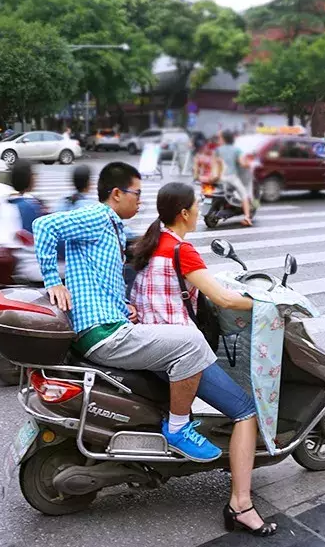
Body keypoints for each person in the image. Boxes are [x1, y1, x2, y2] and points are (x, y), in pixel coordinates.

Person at [33, 162, 222, 463]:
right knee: (192, 341)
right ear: (117, 194)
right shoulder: (97, 216)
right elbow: (44, 226)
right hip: (103, 332)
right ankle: (178, 428)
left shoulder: (113, 228)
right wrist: (53, 281)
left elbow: (100, 279)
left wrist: (124, 307)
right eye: (137, 194)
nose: (140, 201)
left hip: (106, 323)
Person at [129, 182, 276, 537]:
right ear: (184, 212)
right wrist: (268, 304)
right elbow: (223, 299)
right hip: (177, 353)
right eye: (197, 205)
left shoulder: (149, 243)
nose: (200, 210)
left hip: (149, 345)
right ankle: (241, 505)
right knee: (246, 410)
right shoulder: (182, 250)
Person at [0, 161, 48, 283]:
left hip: (8, 264)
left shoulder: (6, 202)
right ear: (29, 178)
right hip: (28, 266)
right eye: (33, 174)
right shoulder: (31, 206)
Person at [214, 130, 253, 226]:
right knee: (244, 195)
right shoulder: (236, 150)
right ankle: (247, 217)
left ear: (223, 139)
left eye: (220, 138)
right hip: (231, 178)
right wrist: (249, 164)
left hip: (220, 178)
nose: (219, 140)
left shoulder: (218, 150)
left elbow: (215, 164)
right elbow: (242, 163)